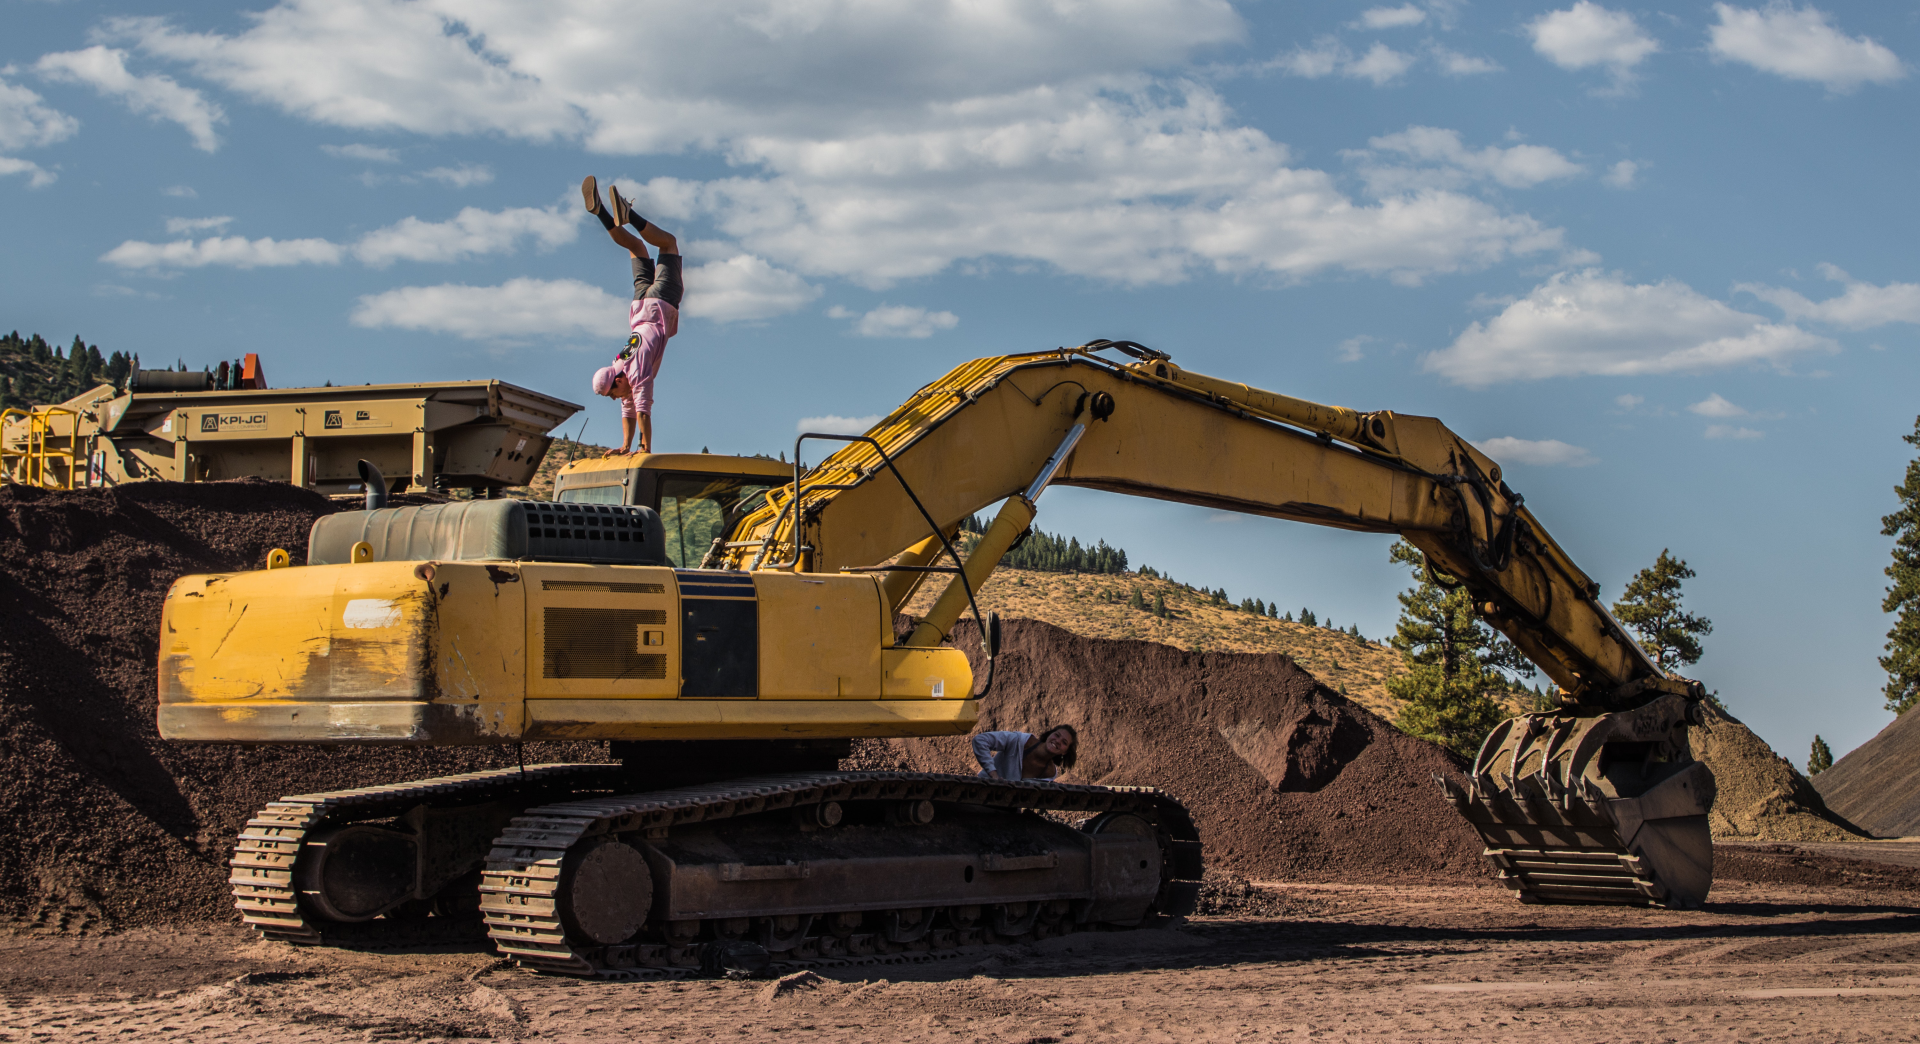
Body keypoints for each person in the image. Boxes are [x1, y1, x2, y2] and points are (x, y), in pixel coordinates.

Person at [583, 175, 682, 456]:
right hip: (639, 307)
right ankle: (601, 211)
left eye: (613, 393)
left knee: (669, 244)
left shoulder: (634, 370)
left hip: (660, 304)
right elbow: (628, 407)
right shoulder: (619, 363)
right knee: (636, 248)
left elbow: (643, 410)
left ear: (617, 381)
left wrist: (644, 447)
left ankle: (630, 215)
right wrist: (625, 446)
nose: (617, 398)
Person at [973, 725, 1078, 782]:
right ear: (1049, 734)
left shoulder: (1049, 773)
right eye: (1057, 735)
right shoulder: (1018, 741)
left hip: (1009, 811)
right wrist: (993, 775)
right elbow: (980, 740)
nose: (1058, 741)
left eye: (1064, 742)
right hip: (982, 792)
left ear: (1065, 752)